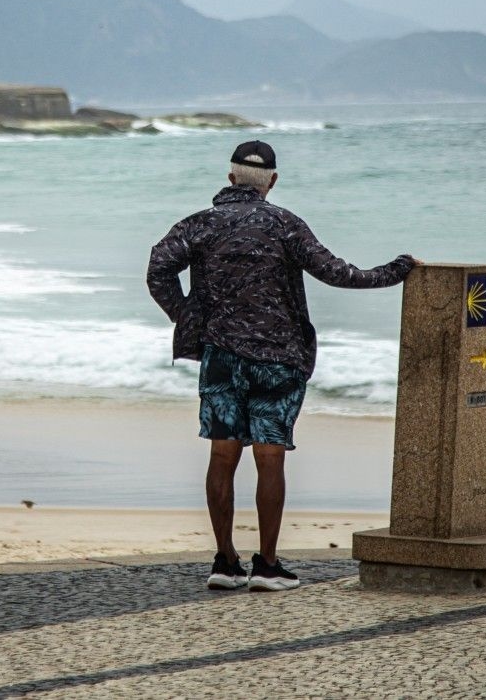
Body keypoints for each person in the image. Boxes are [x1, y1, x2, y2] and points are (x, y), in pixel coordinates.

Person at [147, 140, 415, 592]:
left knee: (222, 453)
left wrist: (189, 315)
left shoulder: (201, 224)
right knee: (269, 457)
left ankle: (225, 562)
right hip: (279, 357)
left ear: (231, 178)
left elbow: (158, 267)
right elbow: (338, 273)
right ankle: (267, 566)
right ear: (272, 181)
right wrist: (397, 269)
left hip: (221, 355)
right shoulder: (284, 223)